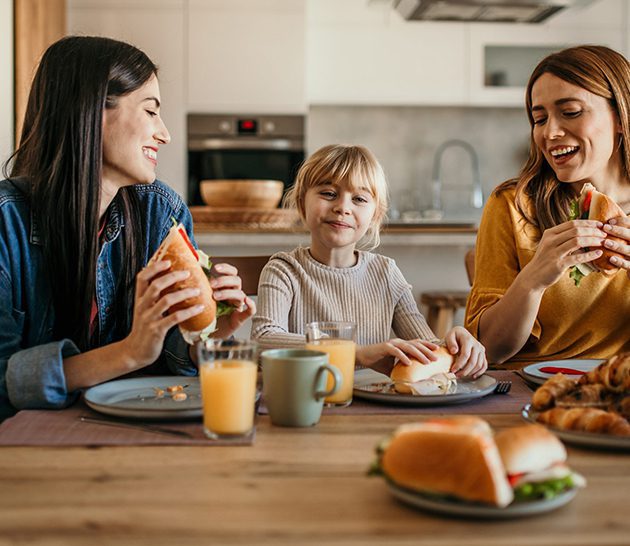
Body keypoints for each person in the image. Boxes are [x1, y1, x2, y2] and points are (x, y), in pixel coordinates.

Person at [0, 36, 255, 419]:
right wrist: (129, 352)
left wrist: (204, 335)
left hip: (141, 434)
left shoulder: (161, 212)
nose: (165, 134)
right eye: (151, 111)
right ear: (91, 111)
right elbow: (4, 380)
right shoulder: (7, 223)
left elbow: (170, 361)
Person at [251, 144, 487, 377]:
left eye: (360, 199)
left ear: (375, 215)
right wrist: (355, 353)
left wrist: (453, 343)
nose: (342, 207)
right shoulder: (283, 270)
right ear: (302, 202)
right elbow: (264, 338)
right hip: (308, 404)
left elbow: (426, 346)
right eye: (328, 194)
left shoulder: (386, 272)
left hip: (374, 407)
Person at [465, 45, 630, 368]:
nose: (550, 132)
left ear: (621, 117)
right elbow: (489, 350)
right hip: (526, 391)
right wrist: (533, 279)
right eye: (539, 119)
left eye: (570, 112)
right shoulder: (513, 205)